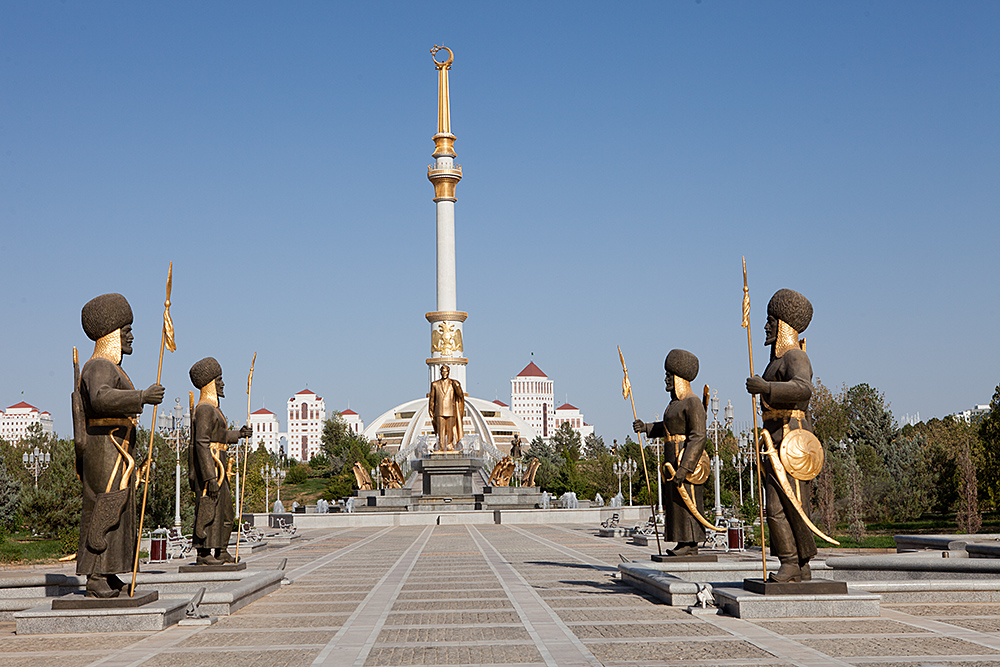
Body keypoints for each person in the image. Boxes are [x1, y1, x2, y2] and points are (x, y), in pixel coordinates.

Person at [75, 293, 164, 597]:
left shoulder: (113, 368)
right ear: (110, 334)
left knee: (119, 508)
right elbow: (100, 398)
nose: (131, 336)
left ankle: (109, 571)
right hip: (104, 449)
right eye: (126, 331)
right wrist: (141, 397)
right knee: (105, 507)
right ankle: (95, 576)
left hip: (117, 450)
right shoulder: (98, 366)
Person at [746, 288, 816, 583]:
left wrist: (767, 389)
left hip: (791, 439)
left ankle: (791, 562)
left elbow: (803, 388)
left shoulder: (796, 356)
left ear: (783, 326)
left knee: (783, 504)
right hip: (773, 438)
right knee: (781, 503)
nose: (765, 327)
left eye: (770, 321)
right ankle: (799, 564)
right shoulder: (774, 362)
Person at [633, 349, 708, 556]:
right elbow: (667, 427)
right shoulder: (675, 404)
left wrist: (685, 467)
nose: (666, 379)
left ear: (680, 378)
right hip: (671, 458)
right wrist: (646, 427)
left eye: (669, 376)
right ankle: (682, 542)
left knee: (688, 500)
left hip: (685, 458)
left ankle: (690, 544)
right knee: (675, 503)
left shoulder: (693, 402)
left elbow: (698, 436)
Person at [189, 357, 251, 566]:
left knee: (225, 511)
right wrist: (209, 476)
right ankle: (203, 552)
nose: (223, 384)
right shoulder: (204, 409)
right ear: (209, 384)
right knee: (209, 509)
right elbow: (202, 443)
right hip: (212, 466)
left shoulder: (214, 410)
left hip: (220, 464)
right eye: (219, 380)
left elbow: (220, 436)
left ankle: (221, 550)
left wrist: (239, 434)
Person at [428, 365, 465, 451]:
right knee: (441, 429)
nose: (444, 373)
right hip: (439, 410)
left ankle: (449, 444)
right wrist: (430, 409)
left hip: (450, 410)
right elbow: (432, 398)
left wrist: (457, 386)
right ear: (440, 372)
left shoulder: (453, 383)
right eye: (443, 372)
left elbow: (460, 396)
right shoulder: (435, 384)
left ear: (449, 372)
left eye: (446, 372)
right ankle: (441, 446)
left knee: (449, 429)